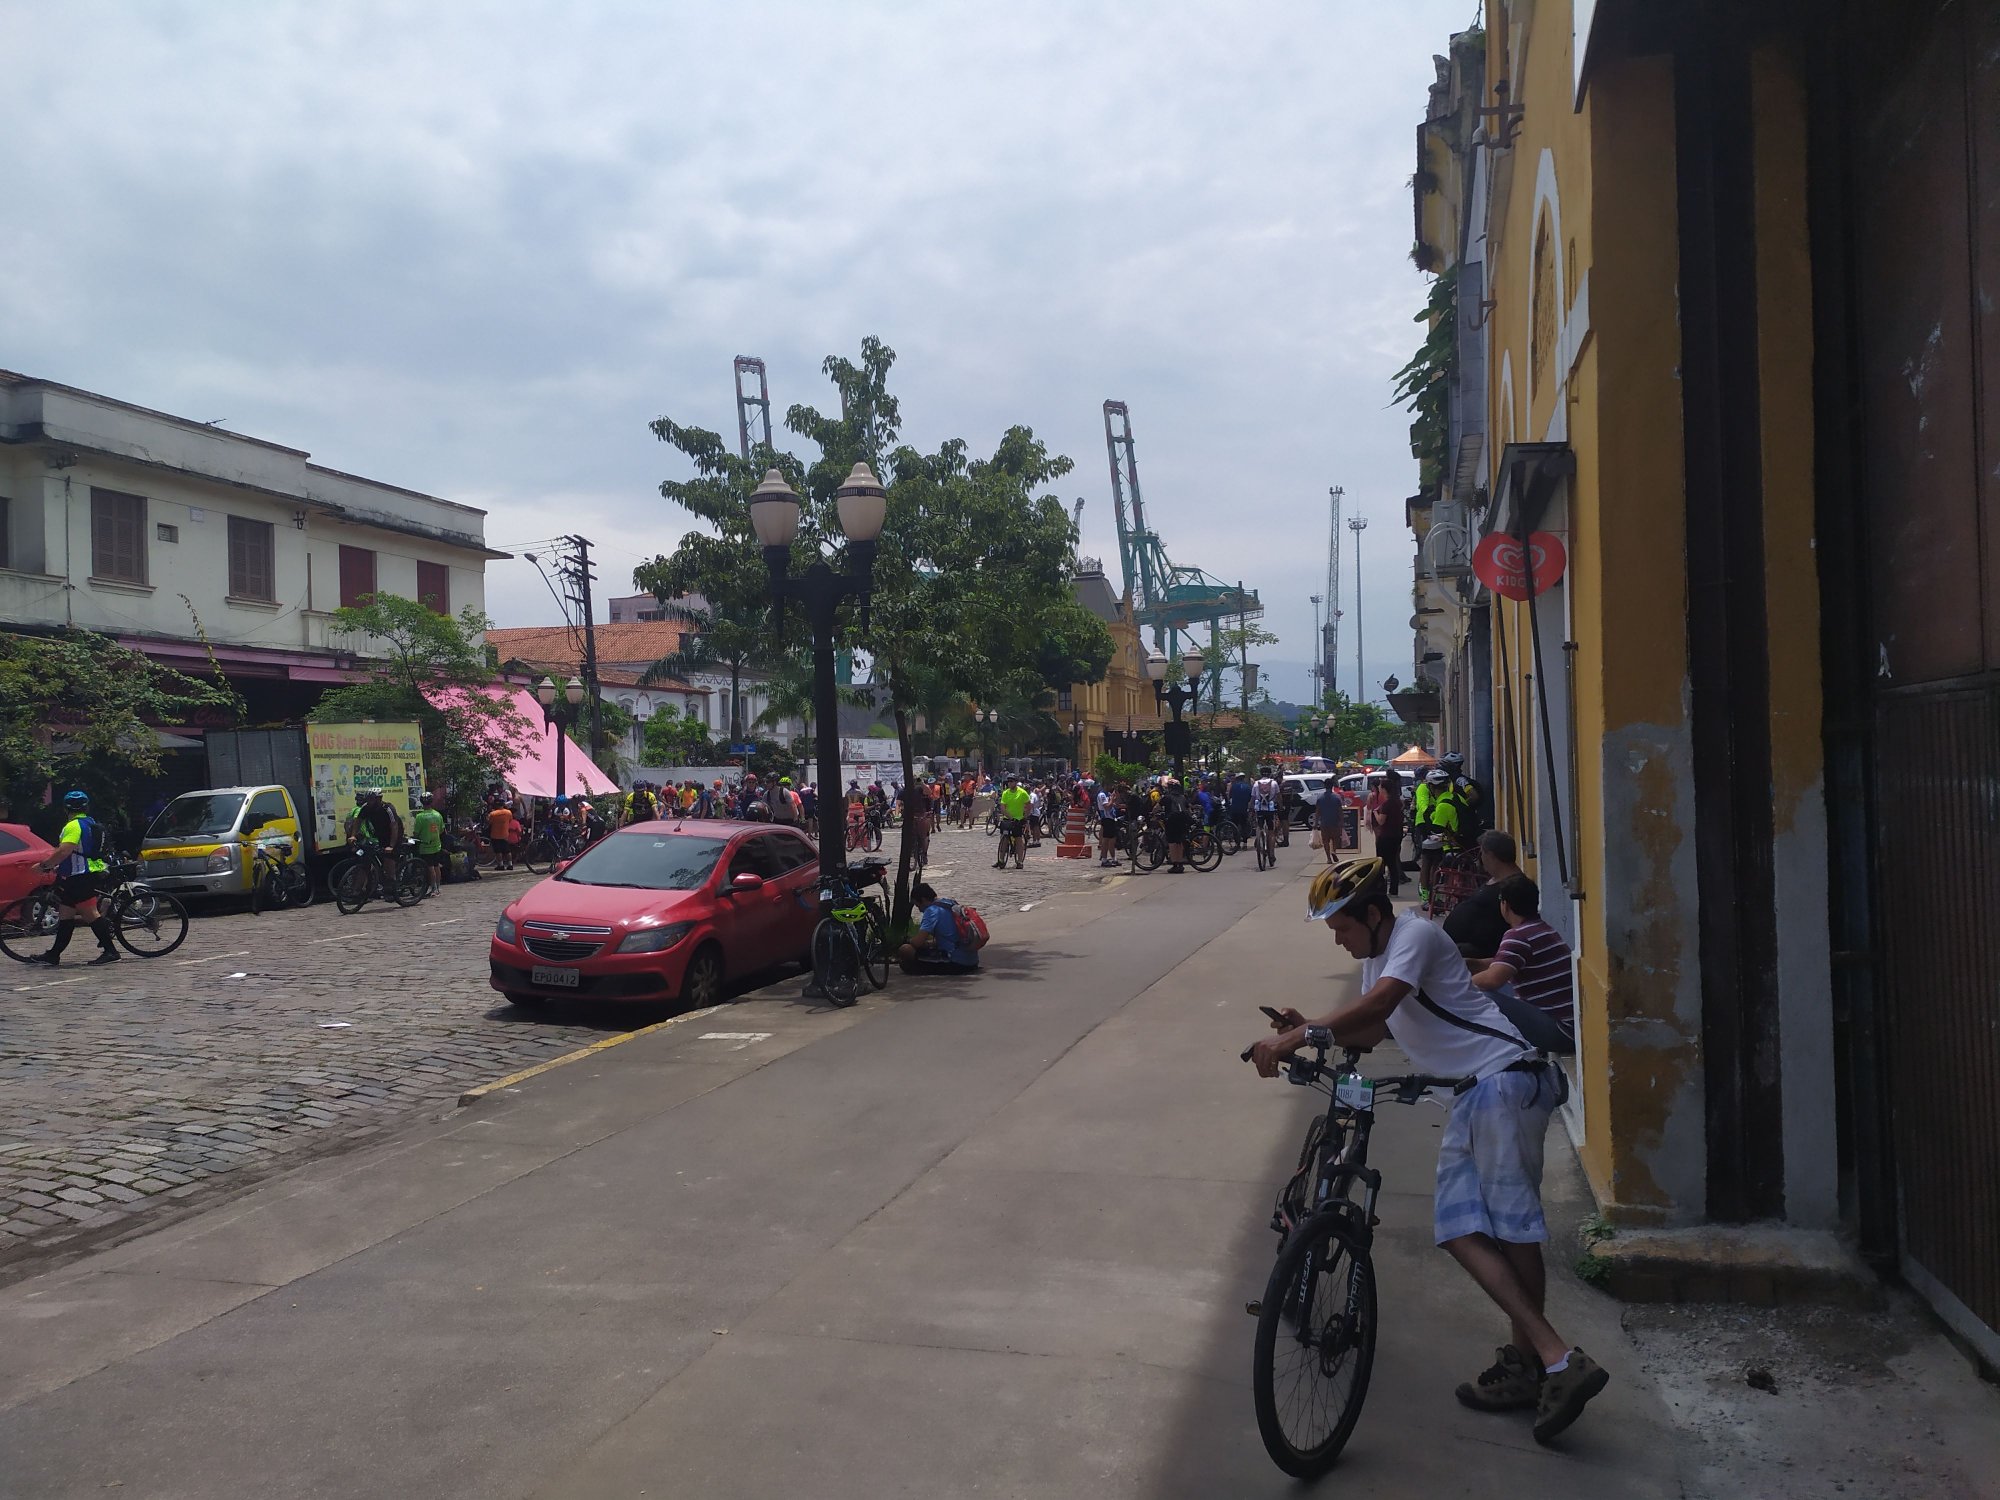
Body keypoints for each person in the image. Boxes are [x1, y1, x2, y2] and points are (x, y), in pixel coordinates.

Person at [1249, 859, 1607, 1443]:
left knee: (1510, 1232)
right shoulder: (1377, 960)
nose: (1337, 940)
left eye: (1341, 927)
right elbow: (1372, 1030)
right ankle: (1534, 1364)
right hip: (1475, 1093)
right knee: (1463, 1231)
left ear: (1373, 913)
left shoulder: (1413, 934)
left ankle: (1555, 1360)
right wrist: (1309, 1025)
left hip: (1505, 1079)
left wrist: (1300, 1035)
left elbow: (1380, 1006)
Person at [1469, 874, 1577, 1054]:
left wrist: (1460, 984)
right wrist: (1471, 964)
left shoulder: (1517, 936)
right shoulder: (1540, 928)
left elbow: (1492, 980)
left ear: (1505, 905)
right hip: (1570, 1025)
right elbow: (1502, 963)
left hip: (1560, 1032)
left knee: (1482, 995)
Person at [29, 789, 118, 967]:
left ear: (65, 808)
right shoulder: (89, 822)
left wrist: (44, 865)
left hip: (80, 876)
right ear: (86, 807)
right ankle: (54, 954)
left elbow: (65, 850)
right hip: (79, 874)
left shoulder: (73, 826)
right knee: (66, 915)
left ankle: (111, 951)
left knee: (90, 914)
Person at [1444, 830, 1525, 956]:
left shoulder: (1516, 887)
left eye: (1482, 853)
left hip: (1479, 952)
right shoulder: (1497, 878)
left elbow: (1517, 926)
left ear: (1490, 855)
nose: (1480, 858)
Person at [896, 881, 980, 975]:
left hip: (956, 964)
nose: (919, 910)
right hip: (972, 961)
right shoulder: (949, 903)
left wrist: (909, 940)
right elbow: (951, 935)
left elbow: (917, 942)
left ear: (923, 900)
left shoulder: (931, 911)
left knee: (905, 949)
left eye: (918, 906)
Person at [1414, 766, 1468, 902]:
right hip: (1461, 840)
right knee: (1431, 856)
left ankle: (1430, 893)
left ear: (1431, 787)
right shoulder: (1457, 797)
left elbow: (1438, 828)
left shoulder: (1443, 804)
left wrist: (1432, 814)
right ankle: (1429, 892)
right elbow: (1423, 805)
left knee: (1430, 858)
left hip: (1450, 841)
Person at [1367, 769, 1408, 892]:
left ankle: (1380, 888)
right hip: (1396, 834)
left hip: (1386, 836)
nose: (1379, 788)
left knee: (1381, 863)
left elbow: (1381, 821)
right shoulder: (1397, 802)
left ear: (1384, 789)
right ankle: (1394, 889)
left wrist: (1375, 812)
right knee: (1393, 862)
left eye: (1380, 787)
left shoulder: (1387, 804)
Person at [412, 791, 446, 894]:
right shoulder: (437, 815)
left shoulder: (420, 817)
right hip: (437, 845)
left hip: (425, 846)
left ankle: (433, 888)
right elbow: (442, 830)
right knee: (436, 866)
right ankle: (438, 888)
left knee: (430, 867)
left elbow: (416, 833)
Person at [1158, 775, 1191, 873]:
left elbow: (1157, 807)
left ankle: (1175, 864)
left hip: (1171, 820)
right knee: (1179, 842)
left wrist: (1153, 813)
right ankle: (1180, 863)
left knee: (1172, 842)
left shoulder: (1167, 797)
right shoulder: (1183, 797)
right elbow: (1188, 808)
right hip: (1183, 820)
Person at [995, 776, 1030, 867]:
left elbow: (1028, 805)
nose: (1009, 783)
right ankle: (1001, 859)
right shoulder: (1005, 793)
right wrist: (1010, 817)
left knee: (1018, 840)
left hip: (1018, 819)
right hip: (1008, 819)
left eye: (1011, 781)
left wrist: (1025, 817)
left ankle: (1020, 861)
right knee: (1004, 839)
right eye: (1008, 781)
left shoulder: (1022, 793)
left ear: (1016, 782)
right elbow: (1002, 807)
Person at [1250, 768, 1282, 857]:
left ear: (1261, 774)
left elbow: (1253, 798)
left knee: (1259, 826)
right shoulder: (1274, 783)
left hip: (1259, 809)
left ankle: (1259, 837)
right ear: (1270, 774)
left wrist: (1251, 808)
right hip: (1270, 809)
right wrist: (1280, 806)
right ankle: (1271, 853)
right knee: (1271, 831)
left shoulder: (1256, 783)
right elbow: (1279, 796)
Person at [1314, 775, 1344, 864]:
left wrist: (1315, 823)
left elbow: (1317, 812)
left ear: (1324, 786)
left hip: (1324, 822)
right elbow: (1340, 811)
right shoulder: (1337, 797)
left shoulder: (1320, 798)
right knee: (1335, 838)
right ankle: (1333, 851)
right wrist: (1342, 822)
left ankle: (1328, 858)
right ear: (1332, 786)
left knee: (1325, 840)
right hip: (1335, 822)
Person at [486, 796, 518, 872]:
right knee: (507, 850)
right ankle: (510, 865)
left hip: (495, 835)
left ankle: (501, 865)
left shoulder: (493, 814)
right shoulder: (508, 812)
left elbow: (489, 822)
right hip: (505, 834)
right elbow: (510, 820)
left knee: (498, 851)